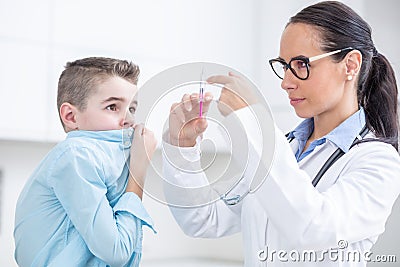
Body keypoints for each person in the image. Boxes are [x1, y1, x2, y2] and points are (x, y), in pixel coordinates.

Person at [162, 1, 400, 266]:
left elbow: (313, 229)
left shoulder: (378, 161)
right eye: (284, 65)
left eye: (301, 64)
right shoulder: (284, 149)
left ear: (350, 65)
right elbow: (204, 220)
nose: (286, 82)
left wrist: (254, 123)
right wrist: (181, 146)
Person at [14, 57, 157, 267]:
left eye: (132, 109)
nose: (128, 119)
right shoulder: (77, 155)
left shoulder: (104, 157)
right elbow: (118, 252)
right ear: (71, 116)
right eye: (112, 107)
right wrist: (139, 170)